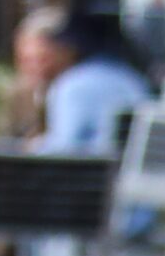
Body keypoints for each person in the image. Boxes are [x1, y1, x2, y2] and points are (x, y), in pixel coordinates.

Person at [43, 8, 154, 150]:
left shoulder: (73, 84)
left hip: (92, 169)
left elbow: (64, 145)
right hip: (130, 167)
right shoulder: (132, 78)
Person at [2, 4, 72, 140]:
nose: (34, 67)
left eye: (43, 59)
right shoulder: (17, 95)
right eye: (26, 60)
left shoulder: (74, 92)